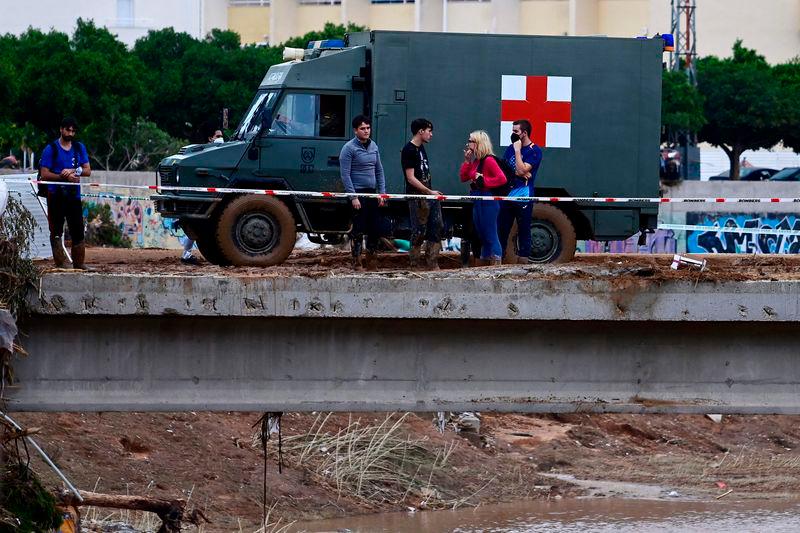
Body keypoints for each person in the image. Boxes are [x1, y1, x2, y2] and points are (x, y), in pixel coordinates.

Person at [40, 117, 91, 269]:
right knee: (56, 230)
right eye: (68, 130)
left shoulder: (78, 147)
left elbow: (87, 170)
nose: (70, 133)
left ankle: (79, 263)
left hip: (73, 195)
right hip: (55, 195)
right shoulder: (51, 149)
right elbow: (44, 174)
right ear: (61, 129)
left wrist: (75, 172)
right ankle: (61, 262)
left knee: (78, 229)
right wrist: (62, 177)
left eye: (73, 131)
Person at [339, 115, 386, 270]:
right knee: (358, 229)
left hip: (372, 193)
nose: (366, 131)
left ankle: (372, 260)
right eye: (362, 128)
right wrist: (353, 196)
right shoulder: (349, 148)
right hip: (358, 193)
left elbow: (379, 171)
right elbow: (345, 174)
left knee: (375, 228)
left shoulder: (374, 147)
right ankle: (357, 262)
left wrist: (382, 193)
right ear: (355, 130)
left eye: (368, 128)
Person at [459, 130, 507, 265]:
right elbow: (464, 177)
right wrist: (467, 161)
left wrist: (484, 181)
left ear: (478, 143)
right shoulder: (476, 161)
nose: (468, 143)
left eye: (470, 141)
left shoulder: (489, 160)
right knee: (481, 233)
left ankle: (496, 261)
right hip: (477, 199)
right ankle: (487, 261)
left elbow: (501, 179)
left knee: (490, 232)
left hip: (487, 200)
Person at [498, 119, 543, 263]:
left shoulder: (534, 151)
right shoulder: (509, 148)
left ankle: (523, 260)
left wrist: (518, 151)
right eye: (512, 131)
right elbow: (504, 169)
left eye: (516, 131)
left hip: (523, 195)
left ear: (524, 133)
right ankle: (500, 258)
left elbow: (523, 169)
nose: (513, 134)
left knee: (524, 228)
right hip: (508, 194)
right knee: (502, 227)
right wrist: (520, 172)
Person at [401, 118, 443, 270]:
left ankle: (432, 262)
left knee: (437, 226)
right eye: (429, 131)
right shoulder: (409, 150)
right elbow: (410, 178)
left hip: (429, 195)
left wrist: (431, 193)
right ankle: (415, 264)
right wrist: (428, 191)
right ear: (420, 131)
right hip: (418, 197)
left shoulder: (421, 148)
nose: (431, 134)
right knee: (419, 230)